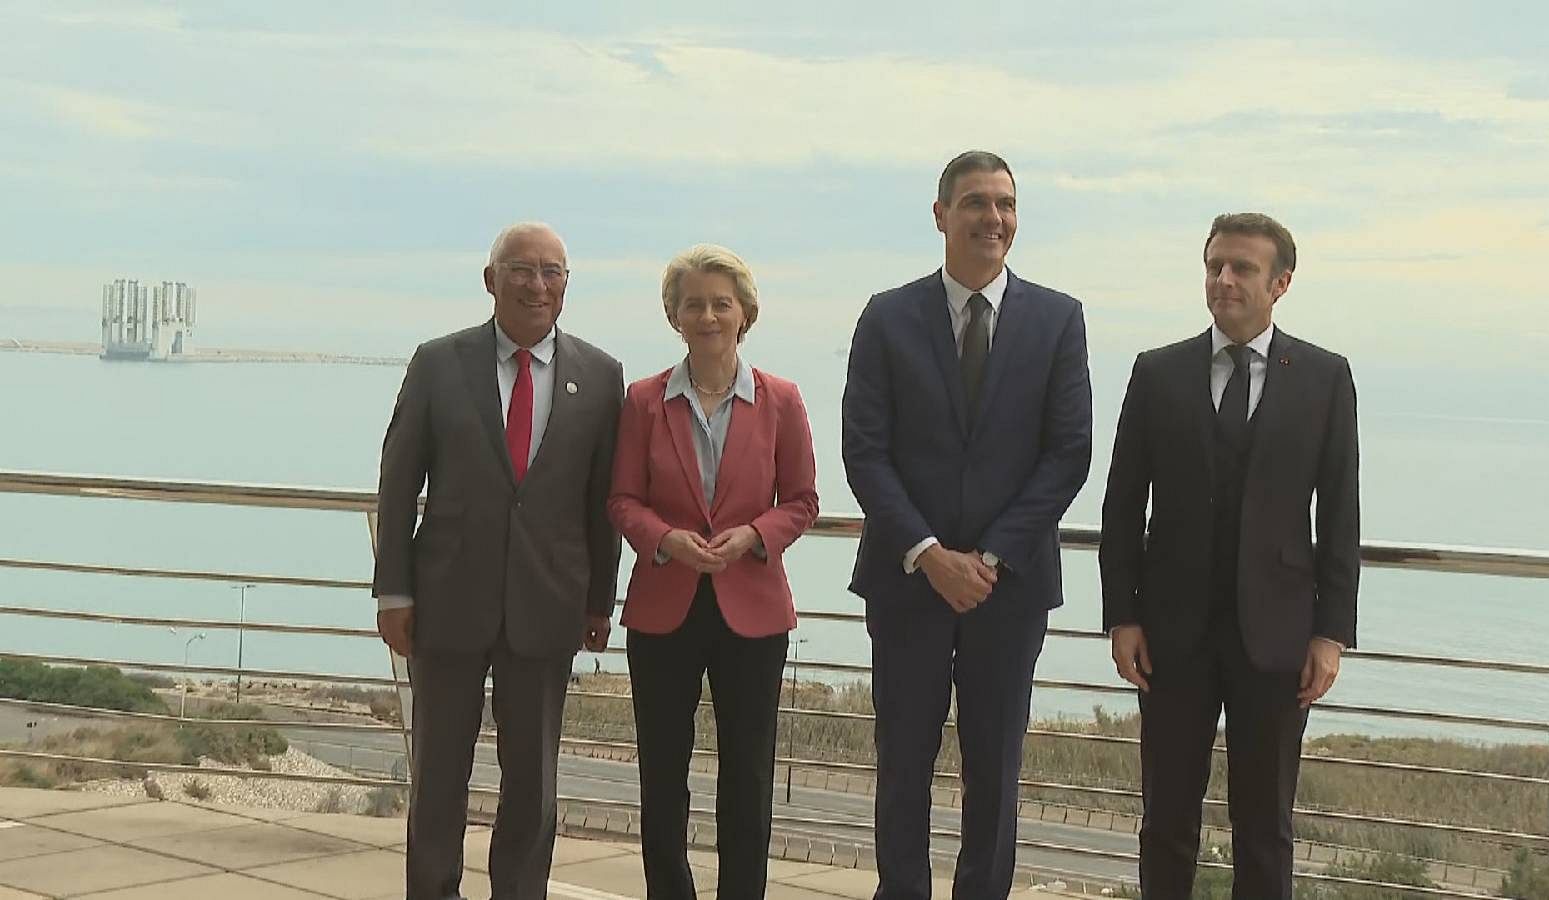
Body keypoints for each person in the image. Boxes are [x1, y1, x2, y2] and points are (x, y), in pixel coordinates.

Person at [841, 151, 1093, 900]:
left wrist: (989, 557)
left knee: (996, 770)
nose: (994, 218)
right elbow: (864, 450)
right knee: (902, 764)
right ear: (941, 215)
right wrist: (928, 553)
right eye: (977, 202)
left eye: (1006, 204)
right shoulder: (887, 316)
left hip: (1008, 590)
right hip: (907, 582)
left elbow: (1069, 454)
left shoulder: (1058, 319)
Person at [1099, 213, 1360, 899]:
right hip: (1170, 634)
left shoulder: (1325, 378)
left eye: (1241, 268)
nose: (1223, 280)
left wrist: (1331, 633)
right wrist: (1122, 616)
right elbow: (1122, 505)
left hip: (1278, 638)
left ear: (1281, 283)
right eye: (1214, 265)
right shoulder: (1157, 372)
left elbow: (1340, 515)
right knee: (1166, 821)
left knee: (1265, 826)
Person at [372, 221, 624, 900]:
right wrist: (393, 591)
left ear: (566, 285)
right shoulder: (438, 363)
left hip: (549, 603)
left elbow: (603, 499)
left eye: (552, 271)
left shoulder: (602, 376)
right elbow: (398, 481)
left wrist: (600, 601)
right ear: (490, 280)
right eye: (521, 269)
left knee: (532, 785)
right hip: (446, 600)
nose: (537, 285)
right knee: (437, 777)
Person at [608, 243, 820, 900]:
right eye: (694, 304)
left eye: (720, 304)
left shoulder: (782, 400)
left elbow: (802, 502)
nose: (707, 316)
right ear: (674, 316)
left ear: (744, 313)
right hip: (662, 609)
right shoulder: (644, 401)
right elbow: (622, 500)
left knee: (748, 779)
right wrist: (665, 538)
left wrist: (755, 535)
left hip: (752, 611)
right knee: (662, 776)